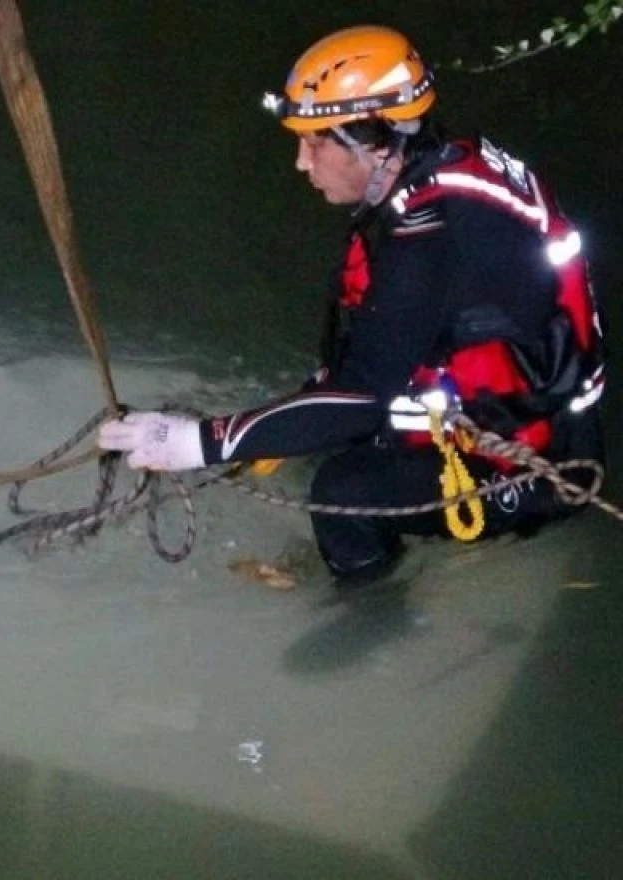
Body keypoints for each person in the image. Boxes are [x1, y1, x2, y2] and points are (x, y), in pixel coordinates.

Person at [98, 25, 606, 588]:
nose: (300, 162)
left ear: (374, 141)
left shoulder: (434, 236)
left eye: (315, 143)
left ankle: (368, 607)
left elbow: (362, 398)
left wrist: (197, 443)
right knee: (317, 424)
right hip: (504, 410)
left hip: (541, 470)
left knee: (342, 495)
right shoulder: (435, 175)